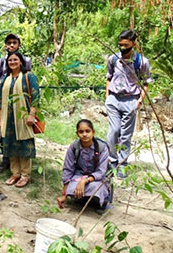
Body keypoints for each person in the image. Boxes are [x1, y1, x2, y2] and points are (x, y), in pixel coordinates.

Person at [105, 30, 152, 177]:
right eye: (120, 44)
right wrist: (107, 97)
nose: (123, 47)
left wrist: (139, 101)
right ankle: (111, 161)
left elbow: (146, 83)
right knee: (113, 131)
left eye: (126, 45)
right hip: (113, 99)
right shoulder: (113, 59)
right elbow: (109, 77)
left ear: (133, 44)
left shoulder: (142, 62)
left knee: (126, 135)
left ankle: (122, 165)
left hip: (131, 100)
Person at [0, 52, 40, 188]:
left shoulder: (29, 77)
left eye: (15, 59)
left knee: (23, 144)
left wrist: (31, 115)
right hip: (8, 117)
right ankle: (15, 173)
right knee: (10, 144)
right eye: (10, 60)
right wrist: (0, 119)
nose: (12, 62)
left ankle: (25, 175)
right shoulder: (5, 79)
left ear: (21, 61)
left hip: (23, 116)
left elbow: (35, 97)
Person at [57, 119, 111, 212]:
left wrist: (84, 181)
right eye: (81, 132)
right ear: (77, 133)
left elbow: (101, 172)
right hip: (79, 176)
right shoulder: (74, 147)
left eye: (87, 131)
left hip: (96, 179)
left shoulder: (102, 148)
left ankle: (99, 202)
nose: (84, 134)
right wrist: (64, 194)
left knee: (97, 188)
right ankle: (82, 198)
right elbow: (68, 169)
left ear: (93, 132)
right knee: (72, 187)